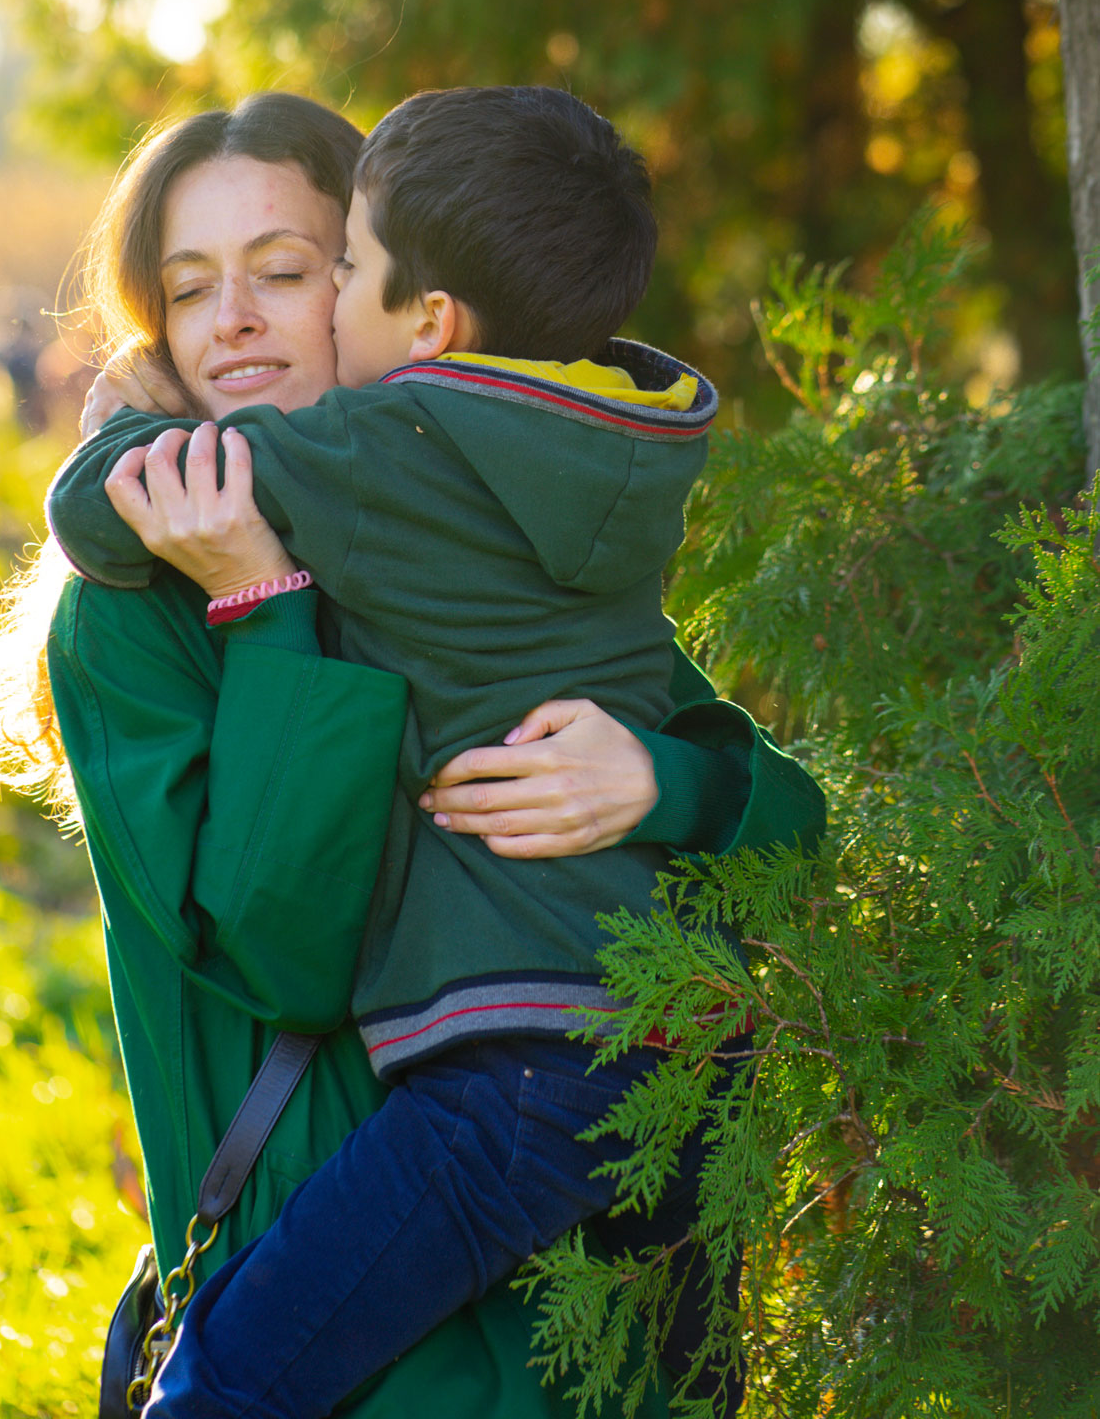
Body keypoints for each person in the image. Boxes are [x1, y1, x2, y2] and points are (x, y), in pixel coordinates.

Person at [45, 88, 826, 1418]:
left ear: (410, 299)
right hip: (357, 1292)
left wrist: (654, 780)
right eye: (186, 290)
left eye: (292, 271)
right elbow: (279, 959)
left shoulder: (465, 533)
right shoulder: (132, 620)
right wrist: (262, 605)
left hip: (575, 1281)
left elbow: (788, 820)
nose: (230, 321)